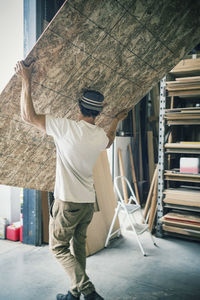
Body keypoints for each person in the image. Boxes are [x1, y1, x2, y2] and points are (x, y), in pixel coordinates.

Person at [15, 61, 128, 300]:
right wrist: (116, 119)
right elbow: (109, 139)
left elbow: (28, 116)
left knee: (57, 248)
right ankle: (74, 294)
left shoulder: (66, 128)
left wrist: (26, 79)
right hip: (87, 202)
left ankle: (88, 291)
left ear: (79, 107)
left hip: (68, 202)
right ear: (98, 111)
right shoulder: (98, 136)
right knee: (78, 247)